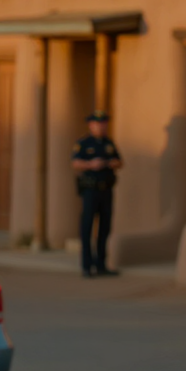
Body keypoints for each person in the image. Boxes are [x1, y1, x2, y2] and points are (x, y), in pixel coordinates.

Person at [71, 110, 122, 276]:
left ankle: (101, 264)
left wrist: (107, 163)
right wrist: (91, 165)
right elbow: (75, 163)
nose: (101, 126)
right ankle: (87, 266)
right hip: (90, 191)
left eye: (104, 124)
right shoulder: (84, 143)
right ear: (91, 125)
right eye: (98, 124)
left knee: (105, 228)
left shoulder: (108, 143)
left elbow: (119, 161)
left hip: (106, 190)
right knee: (86, 227)